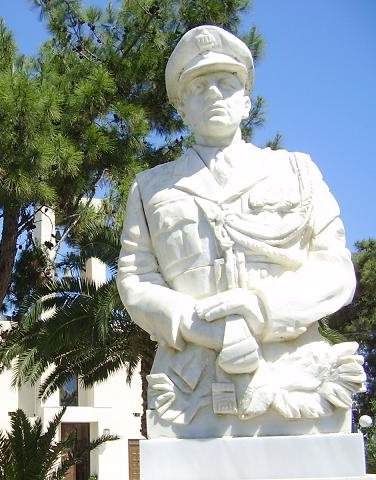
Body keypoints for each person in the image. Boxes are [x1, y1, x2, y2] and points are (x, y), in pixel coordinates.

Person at [117, 25, 365, 438]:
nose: (213, 93)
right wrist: (195, 324)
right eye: (198, 87)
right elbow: (136, 278)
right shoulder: (149, 189)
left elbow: (334, 268)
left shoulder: (297, 171)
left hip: (298, 378)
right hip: (190, 392)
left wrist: (262, 310)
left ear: (247, 103)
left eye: (226, 83)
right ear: (182, 109)